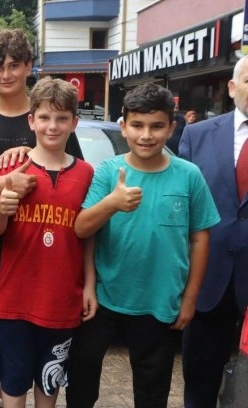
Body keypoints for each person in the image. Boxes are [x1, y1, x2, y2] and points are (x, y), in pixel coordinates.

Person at [66, 83, 220, 408]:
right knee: (81, 379)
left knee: (152, 389)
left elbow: (199, 238)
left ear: (172, 128)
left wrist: (190, 298)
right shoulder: (109, 171)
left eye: (156, 126)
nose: (146, 135)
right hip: (104, 298)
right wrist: (111, 203)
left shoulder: (189, 175)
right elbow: (82, 228)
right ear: (124, 127)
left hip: (159, 301)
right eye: (137, 125)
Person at [0, 28, 83, 405]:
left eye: (14, 65)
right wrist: (6, 183)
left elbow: (73, 178)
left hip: (47, 269)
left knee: (44, 375)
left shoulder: (50, 118)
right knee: (4, 367)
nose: (6, 74)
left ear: (29, 67)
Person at [0, 77, 95, 407]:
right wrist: (2, 209)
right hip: (13, 302)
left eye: (62, 118)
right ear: (31, 121)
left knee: (49, 386)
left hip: (62, 303)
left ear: (74, 123)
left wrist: (89, 285)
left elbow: (88, 235)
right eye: (45, 117)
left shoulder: (87, 174)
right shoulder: (12, 167)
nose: (53, 126)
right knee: (13, 388)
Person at [179, 55, 248, 408]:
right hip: (208, 279)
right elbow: (182, 208)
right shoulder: (197, 135)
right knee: (200, 382)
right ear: (232, 88)